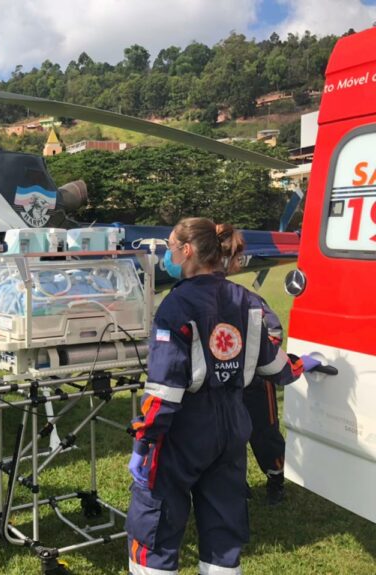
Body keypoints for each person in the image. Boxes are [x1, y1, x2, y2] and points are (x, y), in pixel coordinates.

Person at [125, 217, 322, 575]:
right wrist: (304, 364)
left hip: (183, 430)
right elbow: (275, 367)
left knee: (155, 529)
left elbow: (165, 391)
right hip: (232, 428)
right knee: (223, 531)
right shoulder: (250, 302)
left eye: (170, 248)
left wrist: (144, 443)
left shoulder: (175, 306)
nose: (168, 256)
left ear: (186, 251)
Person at [243, 299, 288, 504]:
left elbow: (274, 332)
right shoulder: (206, 298)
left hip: (258, 381)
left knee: (266, 435)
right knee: (231, 437)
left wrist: (256, 359)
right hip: (228, 384)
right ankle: (237, 485)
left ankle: (276, 480)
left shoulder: (248, 298)